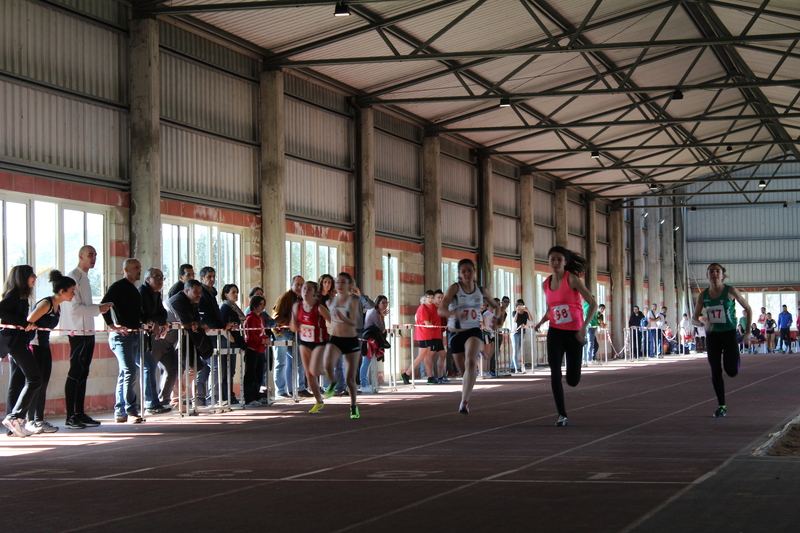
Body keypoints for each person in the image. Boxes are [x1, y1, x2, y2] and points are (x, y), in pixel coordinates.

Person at [534, 246, 596, 427]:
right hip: (555, 332)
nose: (555, 263)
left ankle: (574, 373)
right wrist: (541, 322)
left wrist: (584, 328)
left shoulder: (573, 280)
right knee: (554, 372)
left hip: (575, 333)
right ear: (548, 261)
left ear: (565, 262)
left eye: (559, 259)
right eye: (552, 259)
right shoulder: (545, 283)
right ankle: (562, 414)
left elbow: (592, 303)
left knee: (573, 380)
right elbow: (552, 309)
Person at [438, 259, 500, 415]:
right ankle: (465, 392)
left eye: (469, 270)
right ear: (459, 274)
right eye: (463, 271)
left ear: (474, 272)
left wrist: (496, 318)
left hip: (473, 330)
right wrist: (453, 313)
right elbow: (441, 310)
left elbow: (496, 306)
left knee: (471, 362)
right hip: (455, 333)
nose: (467, 274)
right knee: (464, 371)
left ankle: (464, 401)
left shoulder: (481, 290)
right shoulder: (454, 288)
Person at [61, 245, 113, 429]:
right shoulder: (72, 277)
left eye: (95, 255)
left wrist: (99, 308)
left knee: (84, 373)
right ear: (80, 255)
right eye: (90, 255)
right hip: (77, 332)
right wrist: (99, 309)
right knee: (75, 372)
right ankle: (70, 416)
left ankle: (79, 413)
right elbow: (74, 308)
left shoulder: (85, 278)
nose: (94, 258)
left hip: (88, 331)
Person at [691, 262, 751, 418]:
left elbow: (748, 308)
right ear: (707, 275)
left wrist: (748, 332)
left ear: (722, 274)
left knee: (731, 371)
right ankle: (721, 406)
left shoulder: (730, 290)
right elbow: (694, 319)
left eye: (717, 271)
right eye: (711, 271)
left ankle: (734, 361)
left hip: (729, 333)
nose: (714, 274)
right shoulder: (703, 295)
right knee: (715, 371)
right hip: (713, 335)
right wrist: (703, 323)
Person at [23, 270, 76, 433]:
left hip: (45, 346)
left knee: (44, 383)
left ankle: (39, 419)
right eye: (72, 291)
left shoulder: (57, 306)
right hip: (34, 345)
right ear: (62, 291)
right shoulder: (45, 303)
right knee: (36, 383)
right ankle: (29, 420)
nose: (73, 294)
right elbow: (27, 322)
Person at [101, 258, 145, 424]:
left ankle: (120, 410)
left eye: (139, 267)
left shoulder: (134, 290)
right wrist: (112, 325)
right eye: (136, 268)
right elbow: (104, 305)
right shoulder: (118, 287)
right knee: (130, 371)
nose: (139, 270)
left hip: (133, 335)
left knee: (125, 373)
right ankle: (131, 410)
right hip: (121, 337)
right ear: (126, 270)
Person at [1, 265, 39, 437]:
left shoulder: (22, 297)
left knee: (17, 380)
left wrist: (26, 326)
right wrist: (23, 323)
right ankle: (15, 417)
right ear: (23, 277)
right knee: (35, 378)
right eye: (32, 275)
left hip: (18, 342)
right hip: (13, 343)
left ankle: (13, 424)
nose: (35, 277)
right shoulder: (14, 294)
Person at [322, 272, 363, 419]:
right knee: (327, 365)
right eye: (337, 282)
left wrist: (342, 318)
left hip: (351, 340)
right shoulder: (330, 301)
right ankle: (332, 382)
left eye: (343, 282)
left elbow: (356, 323)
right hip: (335, 339)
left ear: (349, 285)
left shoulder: (353, 301)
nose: (339, 285)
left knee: (349, 379)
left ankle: (353, 406)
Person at [168, 279, 213, 407]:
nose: (199, 294)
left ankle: (178, 398)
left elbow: (196, 321)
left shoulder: (193, 301)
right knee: (178, 369)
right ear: (187, 290)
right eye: (196, 291)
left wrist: (197, 324)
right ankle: (175, 400)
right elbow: (187, 324)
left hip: (185, 339)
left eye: (200, 291)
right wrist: (196, 325)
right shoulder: (178, 301)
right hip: (171, 340)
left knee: (193, 368)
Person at [291, 281, 330, 413]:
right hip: (305, 341)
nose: (305, 291)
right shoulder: (297, 306)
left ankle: (329, 373)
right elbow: (292, 327)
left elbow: (332, 321)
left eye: (308, 289)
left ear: (315, 292)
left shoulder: (319, 307)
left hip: (319, 341)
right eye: (303, 289)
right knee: (309, 374)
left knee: (314, 370)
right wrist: (295, 322)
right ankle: (319, 401)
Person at [138, 267, 173, 415]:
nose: (160, 281)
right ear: (147, 279)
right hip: (138, 336)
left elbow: (162, 314)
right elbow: (144, 314)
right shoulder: (141, 293)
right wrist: (153, 320)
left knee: (157, 366)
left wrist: (157, 321)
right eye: (156, 277)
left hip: (149, 336)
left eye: (162, 278)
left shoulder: (157, 295)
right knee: (147, 367)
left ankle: (157, 401)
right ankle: (149, 403)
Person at [273, 276, 311, 398]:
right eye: (297, 285)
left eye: (302, 285)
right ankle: (280, 390)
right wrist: (290, 323)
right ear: (291, 285)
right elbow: (276, 317)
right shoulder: (285, 298)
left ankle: (300, 388)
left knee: (300, 360)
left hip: (295, 333)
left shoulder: (302, 299)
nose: (300, 288)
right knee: (281, 362)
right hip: (282, 333)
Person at [220, 283, 249, 403]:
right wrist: (230, 336)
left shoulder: (234, 307)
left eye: (237, 292)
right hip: (227, 341)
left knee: (231, 370)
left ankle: (230, 395)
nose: (236, 294)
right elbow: (222, 325)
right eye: (233, 292)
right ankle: (226, 395)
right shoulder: (225, 308)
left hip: (234, 341)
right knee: (226, 369)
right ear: (226, 295)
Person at [243, 295, 270, 407]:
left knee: (259, 374)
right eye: (261, 304)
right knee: (251, 375)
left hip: (260, 350)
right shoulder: (250, 319)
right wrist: (262, 340)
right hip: (252, 349)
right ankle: (249, 398)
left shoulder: (261, 318)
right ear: (254, 306)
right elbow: (250, 337)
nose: (263, 306)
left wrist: (265, 338)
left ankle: (256, 395)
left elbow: (262, 332)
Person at [402, 294, 434, 385]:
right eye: (428, 298)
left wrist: (430, 325)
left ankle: (430, 377)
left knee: (427, 357)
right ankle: (406, 374)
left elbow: (429, 323)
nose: (430, 300)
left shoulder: (427, 309)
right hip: (423, 335)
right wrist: (430, 325)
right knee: (420, 357)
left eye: (432, 298)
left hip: (427, 335)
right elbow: (428, 323)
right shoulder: (423, 308)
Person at [360, 295, 389, 394]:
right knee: (366, 362)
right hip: (369, 339)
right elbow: (381, 328)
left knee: (367, 362)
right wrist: (382, 316)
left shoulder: (375, 311)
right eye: (383, 303)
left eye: (386, 303)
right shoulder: (375, 312)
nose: (385, 305)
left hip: (369, 338)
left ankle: (366, 383)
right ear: (377, 303)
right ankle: (364, 383)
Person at [430, 290, 448, 382]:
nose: (440, 299)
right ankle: (431, 376)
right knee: (432, 355)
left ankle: (440, 376)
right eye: (438, 297)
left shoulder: (441, 308)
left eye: (442, 298)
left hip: (439, 335)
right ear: (434, 298)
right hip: (432, 336)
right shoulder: (430, 308)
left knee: (443, 355)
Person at [511, 299, 530, 372]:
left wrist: (528, 311)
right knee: (515, 350)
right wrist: (517, 312)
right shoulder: (514, 312)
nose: (520, 306)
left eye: (522, 304)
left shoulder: (525, 314)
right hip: (515, 333)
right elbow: (514, 320)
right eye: (519, 305)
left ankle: (512, 366)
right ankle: (517, 368)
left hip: (522, 332)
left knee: (518, 350)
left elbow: (531, 319)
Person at [480, 300, 496, 377]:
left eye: (483, 305)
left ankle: (486, 371)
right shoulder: (485, 315)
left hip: (487, 334)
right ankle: (483, 371)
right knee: (484, 354)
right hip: (485, 334)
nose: (482, 307)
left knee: (487, 354)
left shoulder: (483, 314)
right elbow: (485, 326)